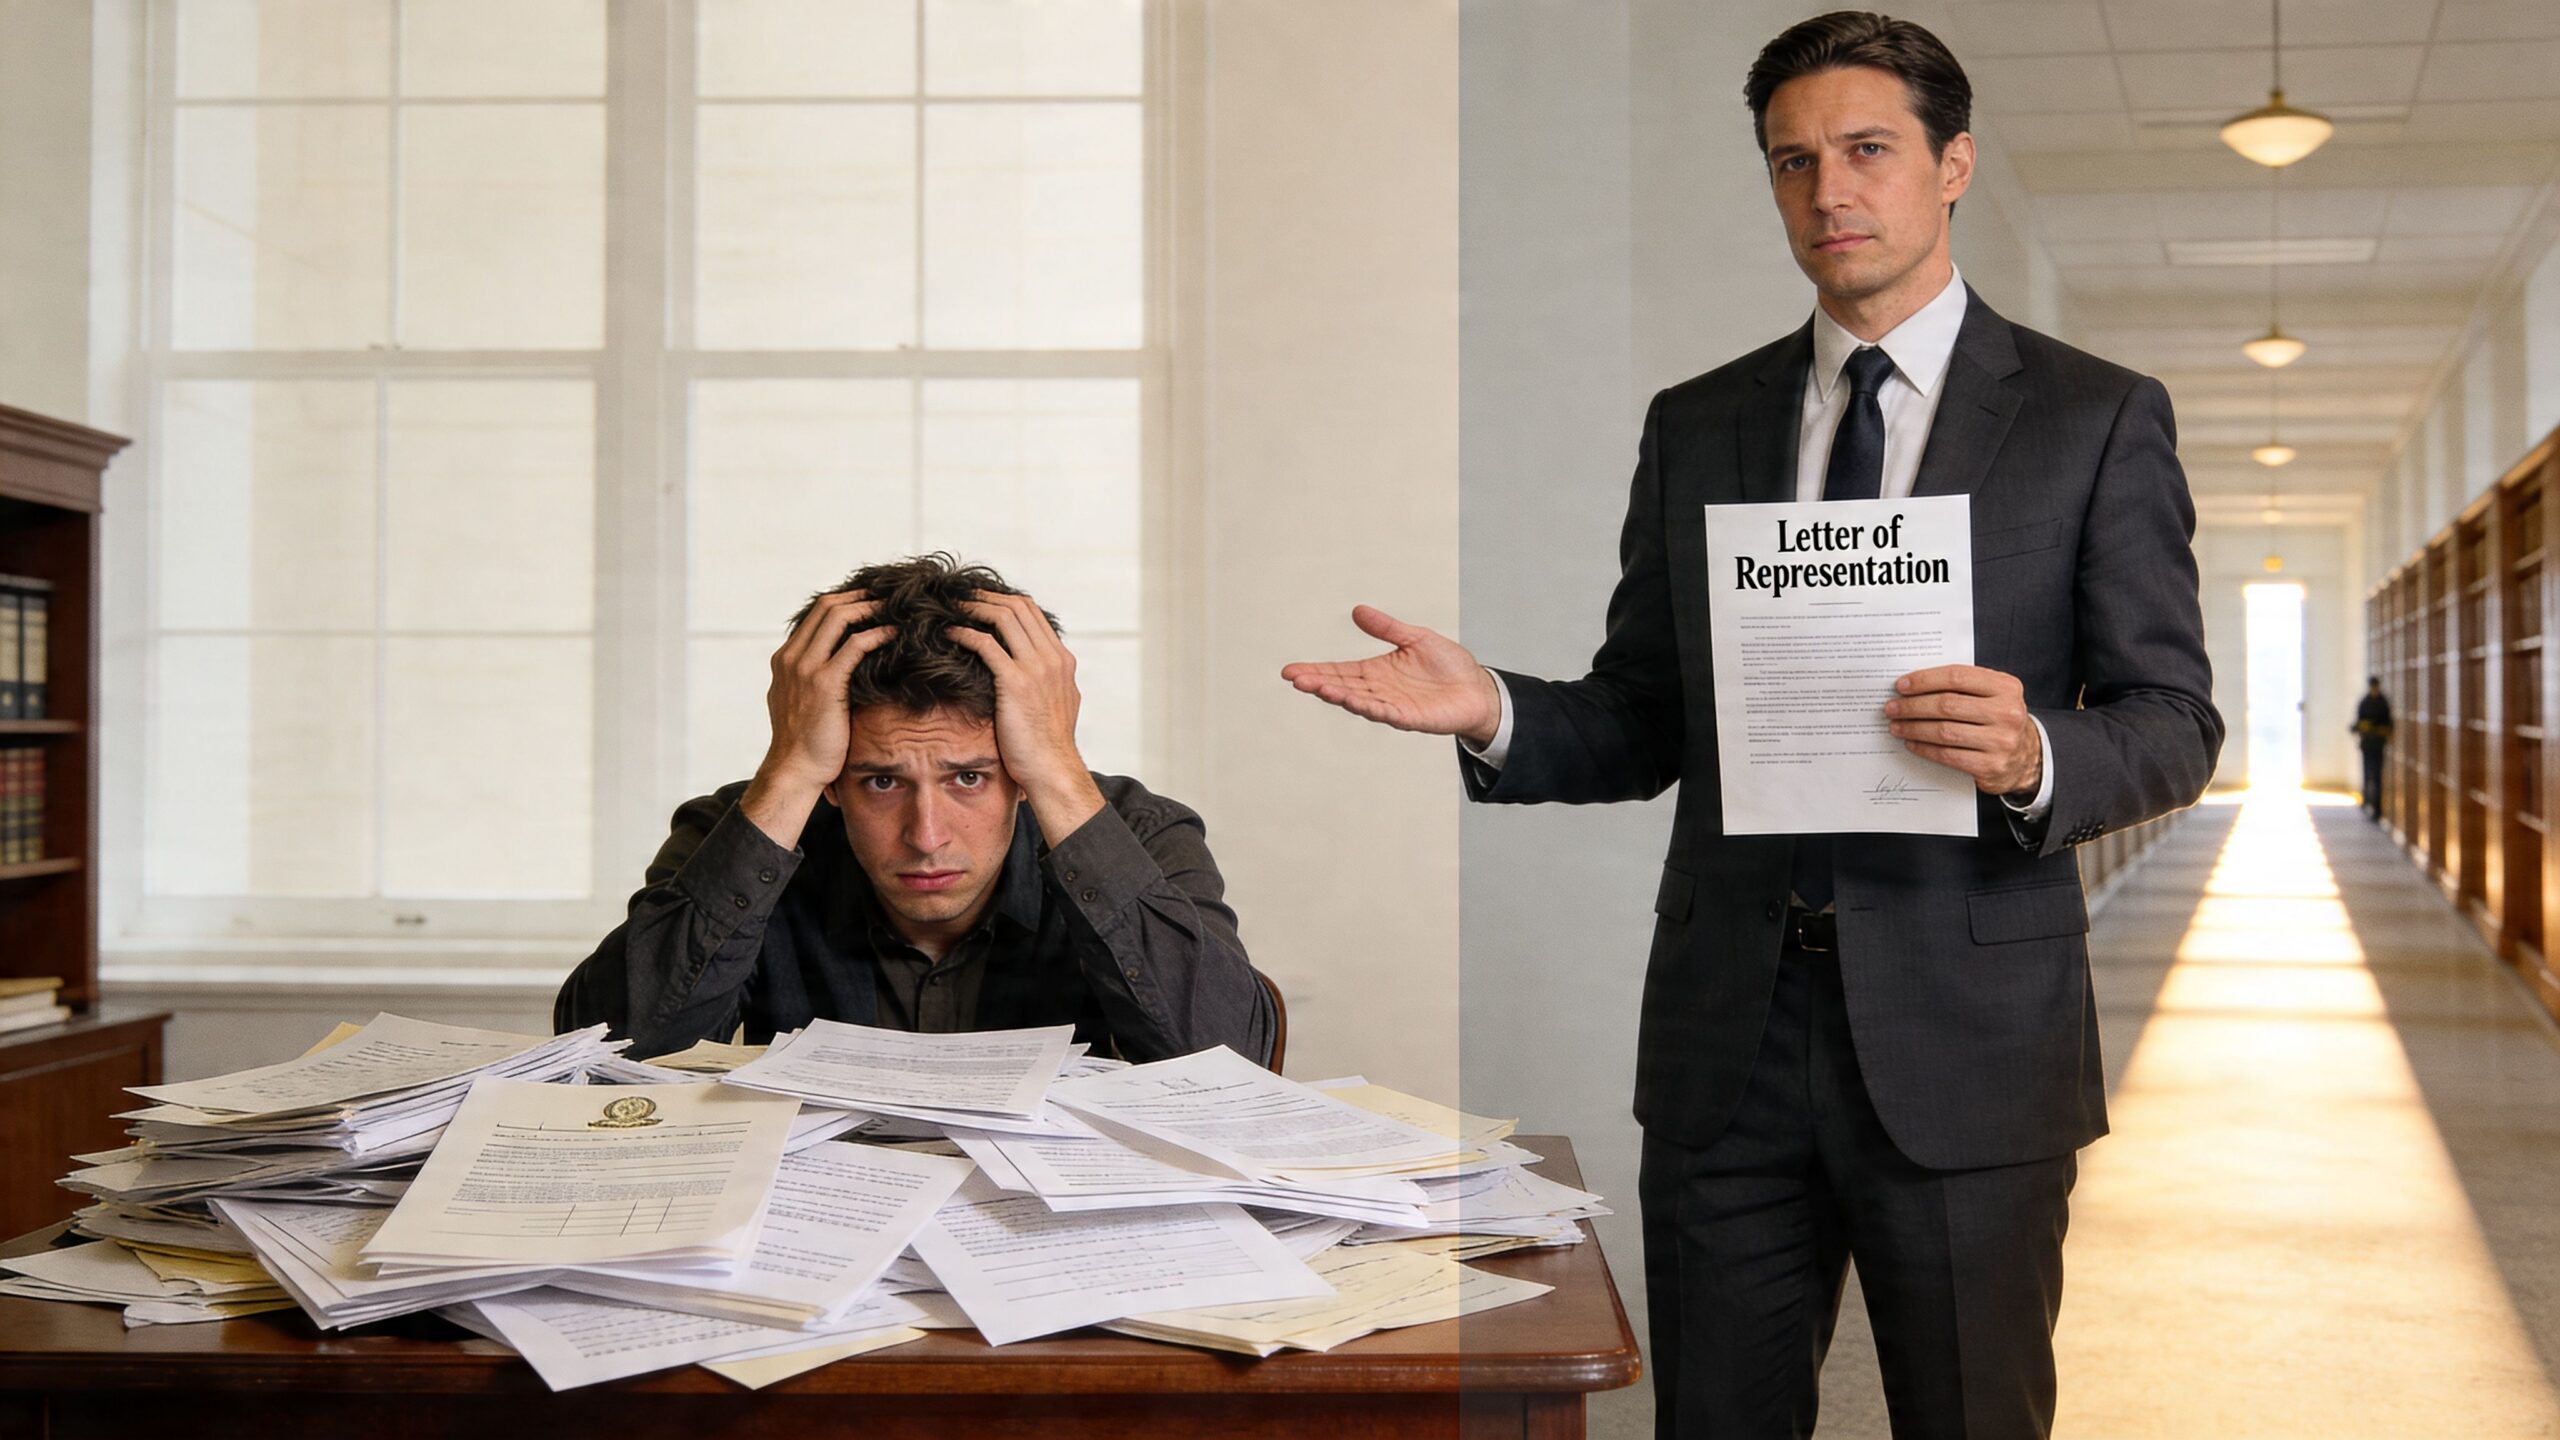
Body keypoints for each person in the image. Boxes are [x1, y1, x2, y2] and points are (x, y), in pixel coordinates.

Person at [1282, 13, 2220, 1439]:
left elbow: (2174, 719)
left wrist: (2038, 754)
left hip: (1969, 1041)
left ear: (1952, 163)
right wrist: (1496, 714)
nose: (1828, 192)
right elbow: (1645, 718)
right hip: (1733, 1048)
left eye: (1866, 151)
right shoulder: (1702, 422)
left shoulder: (2094, 418)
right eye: (1793, 162)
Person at [557, 553, 1274, 1067]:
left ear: (1021, 770)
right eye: (880, 782)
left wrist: (1058, 771)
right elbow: (603, 1056)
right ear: (832, 775)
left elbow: (1227, 1061)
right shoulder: (742, 829)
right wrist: (789, 770)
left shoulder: (1140, 833)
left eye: (968, 777)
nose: (926, 837)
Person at [2355, 675, 2394, 820]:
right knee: (2367, 774)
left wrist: (2378, 730)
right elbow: (2359, 721)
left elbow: (2389, 724)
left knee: (2376, 776)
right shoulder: (2365, 702)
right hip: (2367, 743)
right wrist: (2361, 727)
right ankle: (2366, 802)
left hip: (2378, 743)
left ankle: (2377, 809)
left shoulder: (2382, 702)